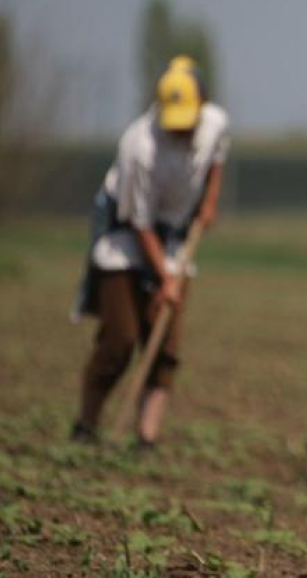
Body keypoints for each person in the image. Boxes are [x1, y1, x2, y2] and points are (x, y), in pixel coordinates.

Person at [70, 55, 230, 448]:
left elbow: (217, 159)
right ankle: (86, 426)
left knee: (165, 344)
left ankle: (147, 437)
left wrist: (209, 201)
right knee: (120, 340)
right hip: (125, 238)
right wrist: (165, 277)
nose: (181, 129)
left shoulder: (216, 123)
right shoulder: (138, 146)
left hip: (175, 236)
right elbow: (139, 221)